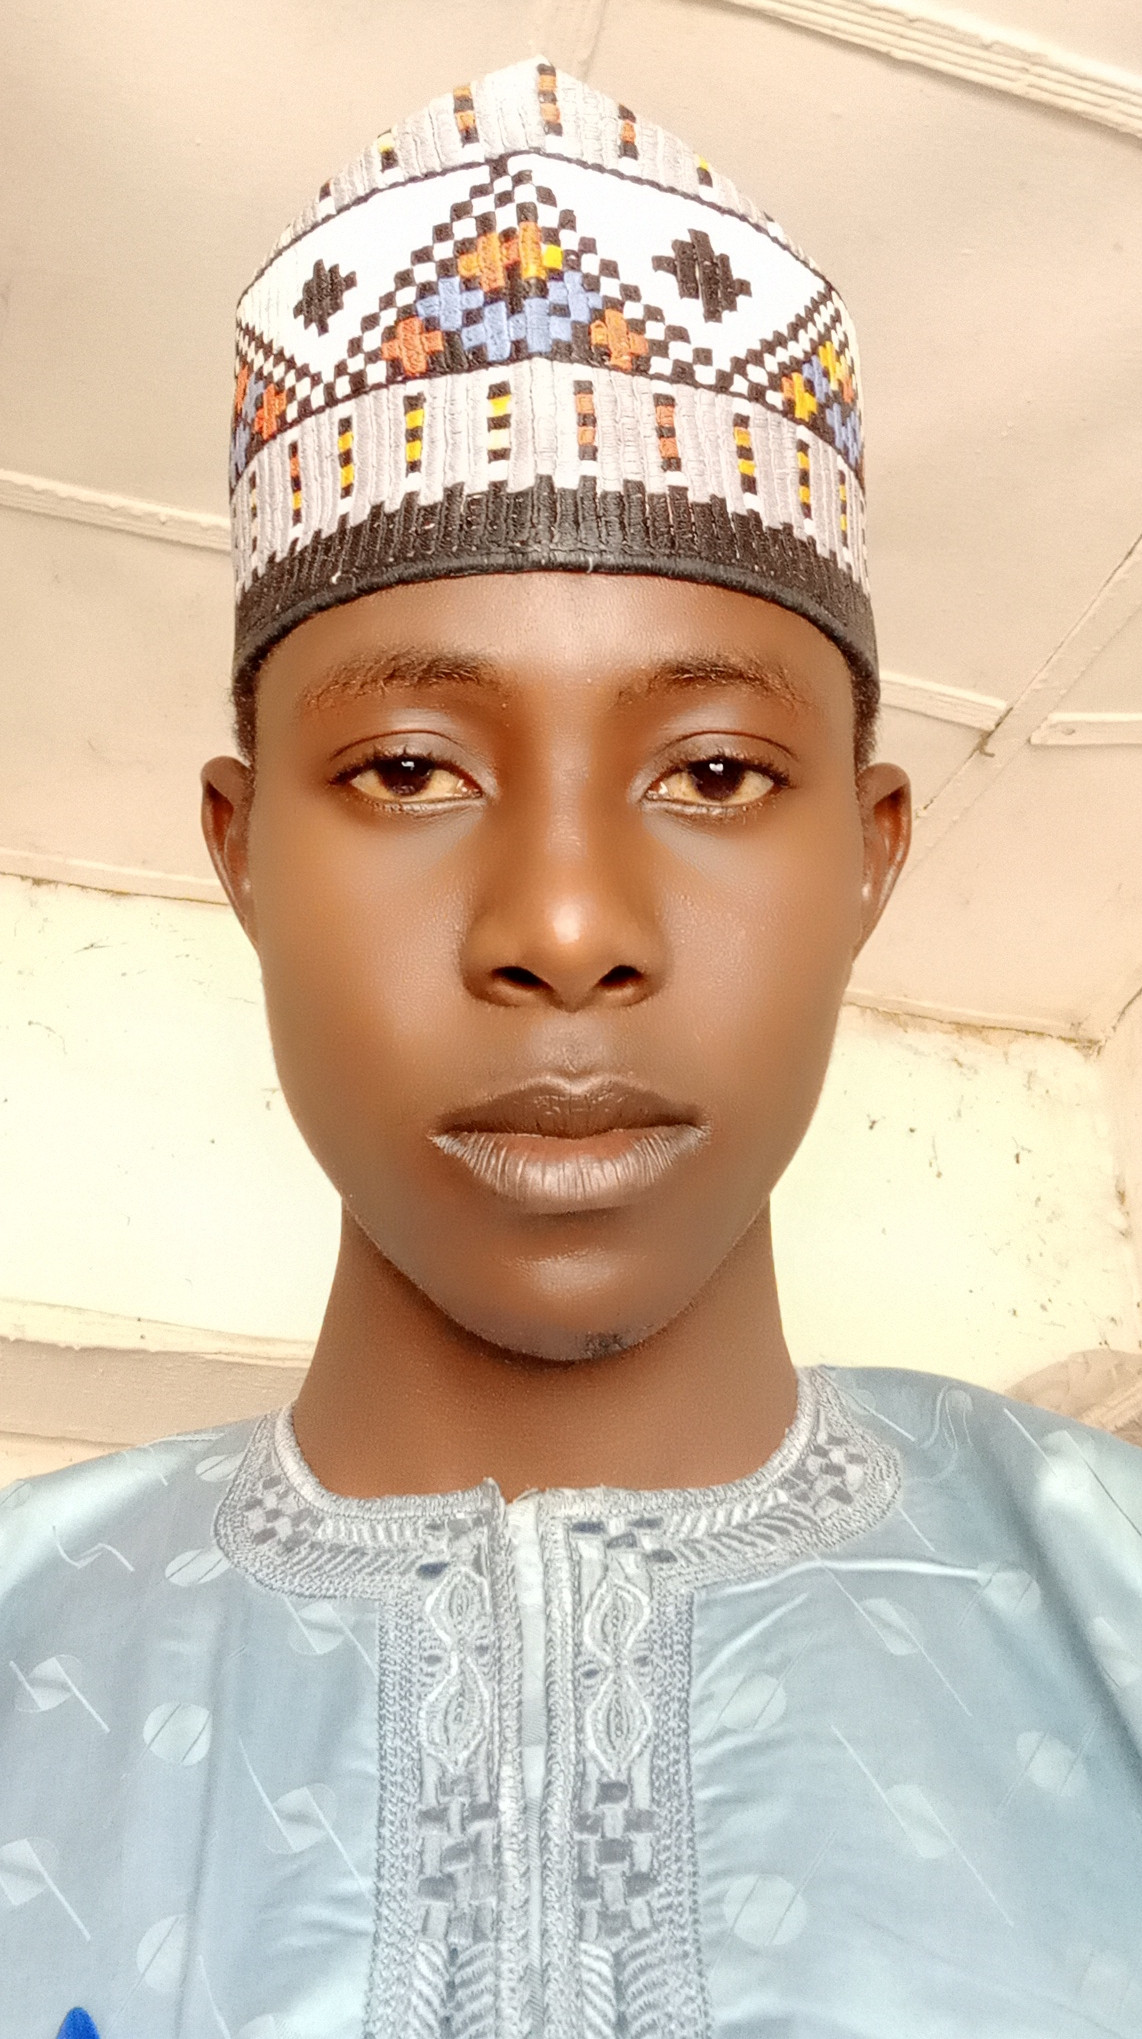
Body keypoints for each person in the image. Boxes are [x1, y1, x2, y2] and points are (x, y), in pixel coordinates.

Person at [4, 56, 1141, 2039]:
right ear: (241, 849)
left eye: (712, 771)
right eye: (406, 768)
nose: (561, 927)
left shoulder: (1105, 1605)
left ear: (868, 855)